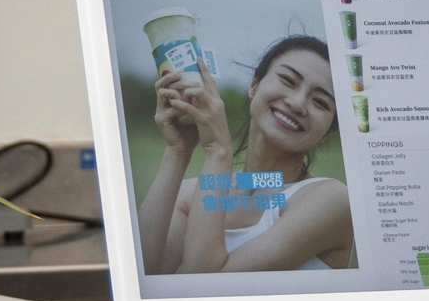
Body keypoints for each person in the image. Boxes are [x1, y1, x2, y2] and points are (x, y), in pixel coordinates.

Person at [139, 35, 358, 275]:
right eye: (288, 80)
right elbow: (144, 272)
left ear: (326, 133)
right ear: (254, 85)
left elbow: (206, 282)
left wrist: (219, 150)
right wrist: (177, 151)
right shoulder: (192, 195)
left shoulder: (330, 200)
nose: (297, 104)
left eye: (321, 102)